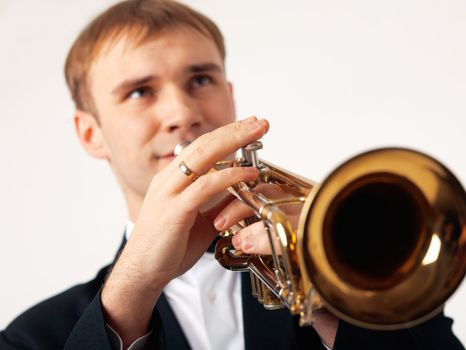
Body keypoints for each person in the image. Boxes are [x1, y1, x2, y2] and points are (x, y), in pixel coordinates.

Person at [0, 1, 464, 349]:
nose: (182, 113)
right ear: (89, 133)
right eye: (140, 91)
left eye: (200, 80)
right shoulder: (33, 337)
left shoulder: (366, 279)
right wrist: (132, 287)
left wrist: (339, 298)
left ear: (230, 95)